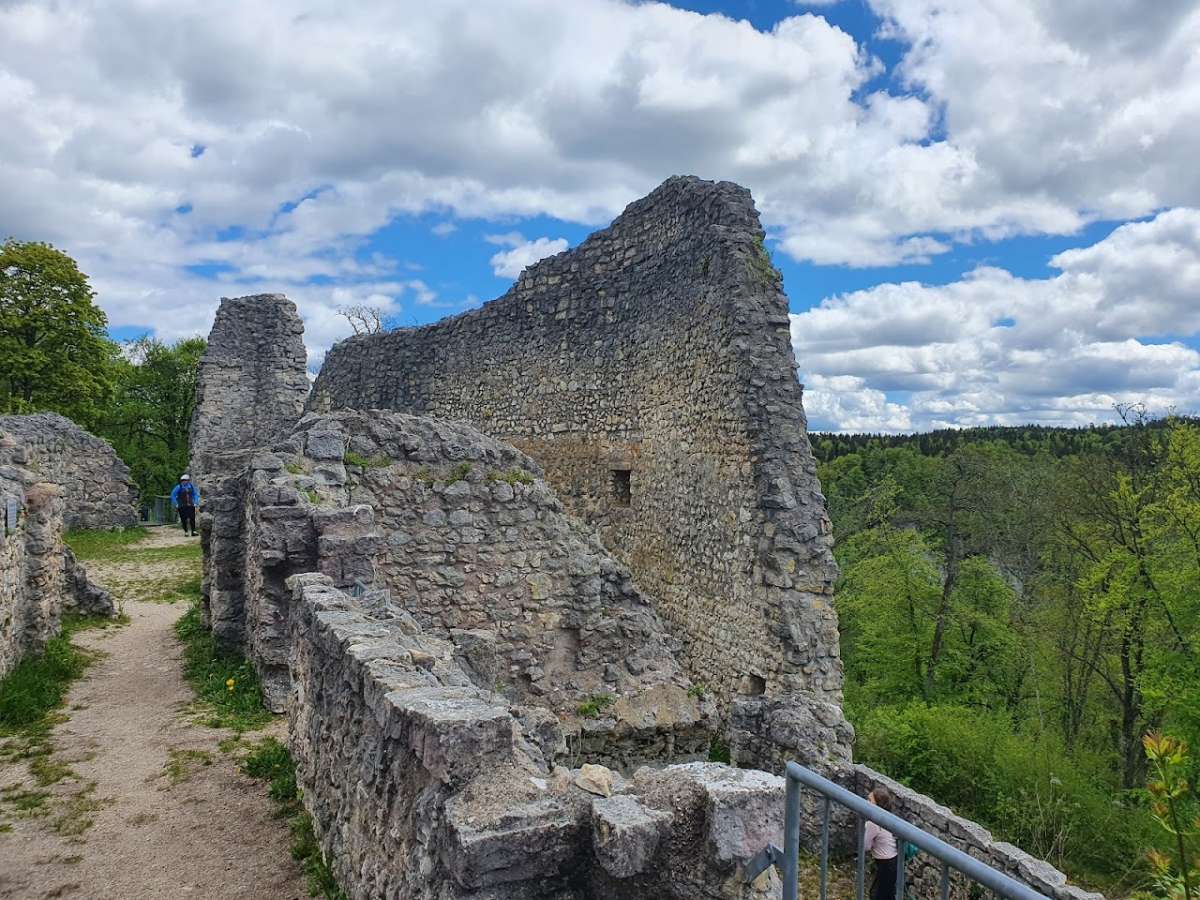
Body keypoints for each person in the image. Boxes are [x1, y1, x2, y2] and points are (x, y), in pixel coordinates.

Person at [865, 786, 898, 900]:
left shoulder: (872, 823)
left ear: (877, 804)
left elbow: (865, 846)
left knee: (877, 895)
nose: (866, 802)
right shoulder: (887, 817)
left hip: (885, 864)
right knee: (887, 894)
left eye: (870, 800)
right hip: (893, 861)